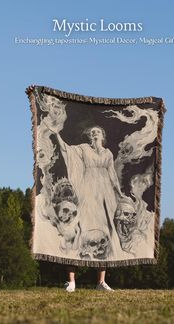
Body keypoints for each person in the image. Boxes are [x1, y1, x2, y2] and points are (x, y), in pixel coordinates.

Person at [44, 122, 125, 292]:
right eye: (92, 132)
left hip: (104, 194)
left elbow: (112, 175)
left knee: (106, 230)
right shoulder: (83, 148)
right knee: (79, 229)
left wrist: (118, 192)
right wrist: (57, 134)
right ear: (90, 136)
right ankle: (71, 281)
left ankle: (101, 282)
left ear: (102, 136)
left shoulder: (108, 153)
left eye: (97, 132)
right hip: (87, 191)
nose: (94, 134)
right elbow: (67, 150)